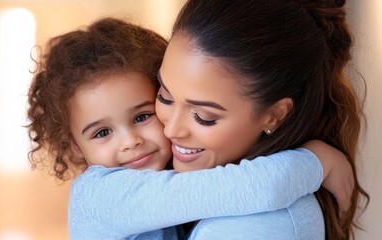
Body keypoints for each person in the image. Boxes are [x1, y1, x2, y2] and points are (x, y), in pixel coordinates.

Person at [27, 17, 354, 239]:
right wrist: (317, 160)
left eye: (142, 116)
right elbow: (246, 188)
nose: (130, 141)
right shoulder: (102, 194)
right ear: (72, 147)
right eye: (102, 133)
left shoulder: (173, 178)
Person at [152, 0, 368, 238]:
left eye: (204, 117)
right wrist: (314, 162)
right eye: (165, 97)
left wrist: (313, 163)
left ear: (274, 116)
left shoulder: (253, 229)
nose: (171, 129)